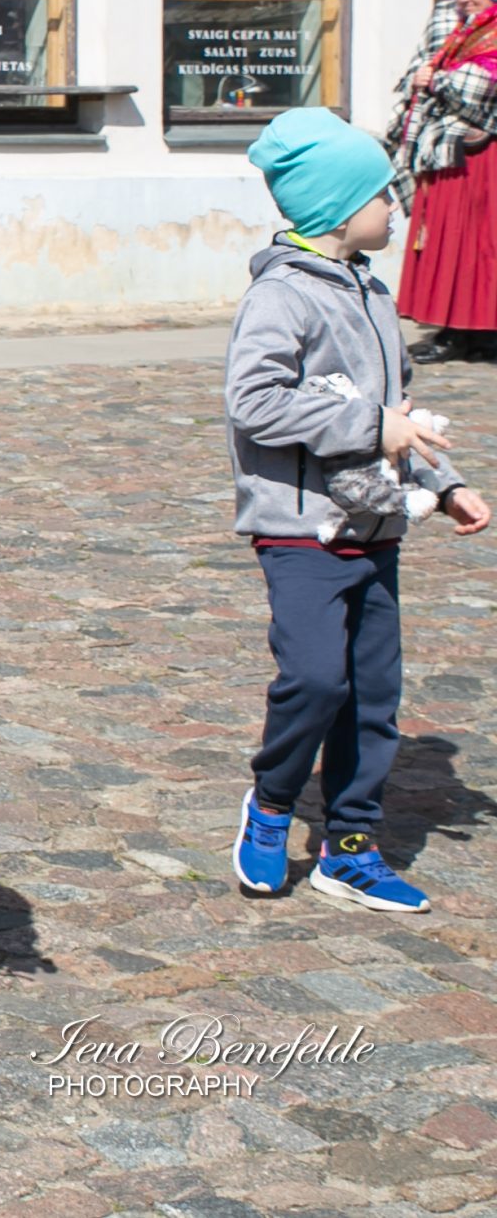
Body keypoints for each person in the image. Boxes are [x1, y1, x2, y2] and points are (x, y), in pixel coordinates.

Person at [228, 109, 488, 913]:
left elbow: (400, 410)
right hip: (301, 530)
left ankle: (350, 846)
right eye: (381, 195)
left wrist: (447, 483)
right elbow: (254, 402)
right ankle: (272, 801)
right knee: (314, 680)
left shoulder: (374, 294)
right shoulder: (281, 296)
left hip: (378, 530)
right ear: (338, 210)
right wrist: (372, 425)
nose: (395, 208)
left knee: (374, 696)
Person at [389, 0, 497, 361]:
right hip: (449, 151)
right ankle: (456, 329)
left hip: (480, 155)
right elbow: (421, 68)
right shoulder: (457, 30)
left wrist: (435, 80)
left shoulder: (489, 32)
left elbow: (479, 89)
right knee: (450, 241)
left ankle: (479, 331)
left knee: (476, 243)